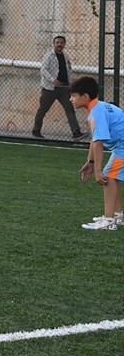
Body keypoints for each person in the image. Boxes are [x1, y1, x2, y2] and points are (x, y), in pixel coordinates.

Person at [69, 76, 124, 230]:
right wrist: (90, 163)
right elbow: (95, 139)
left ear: (85, 97)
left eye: (73, 95)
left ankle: (108, 221)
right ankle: (117, 216)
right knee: (113, 176)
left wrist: (98, 171)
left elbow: (99, 143)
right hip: (121, 146)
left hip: (122, 146)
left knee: (109, 176)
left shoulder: (96, 112)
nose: (70, 99)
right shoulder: (97, 108)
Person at [32, 36, 84, 140]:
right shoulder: (49, 56)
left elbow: (68, 70)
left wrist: (71, 83)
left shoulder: (65, 56)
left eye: (61, 43)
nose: (59, 44)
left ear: (64, 44)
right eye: (57, 42)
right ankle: (36, 131)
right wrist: (52, 79)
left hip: (64, 88)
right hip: (50, 88)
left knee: (69, 109)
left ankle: (76, 132)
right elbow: (43, 70)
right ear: (54, 44)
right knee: (43, 109)